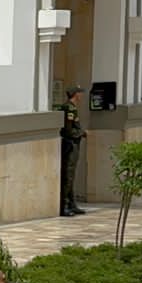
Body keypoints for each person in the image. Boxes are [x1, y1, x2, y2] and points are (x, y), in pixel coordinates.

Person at [57, 85, 87, 216]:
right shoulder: (69, 108)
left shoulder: (73, 108)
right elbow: (68, 130)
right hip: (70, 145)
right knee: (68, 175)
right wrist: (81, 133)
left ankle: (71, 203)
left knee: (71, 175)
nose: (82, 96)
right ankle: (64, 206)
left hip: (74, 144)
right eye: (80, 93)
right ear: (76, 94)